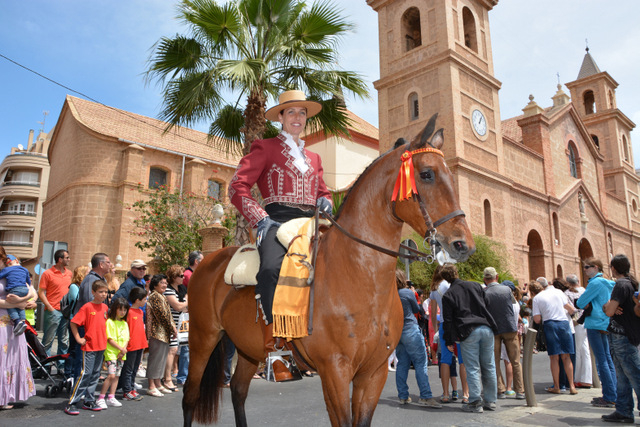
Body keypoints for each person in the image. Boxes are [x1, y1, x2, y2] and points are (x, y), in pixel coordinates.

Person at [228, 89, 332, 382]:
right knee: (272, 269)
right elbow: (238, 187)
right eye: (291, 112)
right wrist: (260, 219)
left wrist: (326, 201)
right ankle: (276, 348)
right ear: (281, 118)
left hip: (311, 222)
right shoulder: (265, 147)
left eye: (302, 113)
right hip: (275, 221)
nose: (297, 118)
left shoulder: (314, 156)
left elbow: (323, 191)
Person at [441, 263, 498, 413]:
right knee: (489, 365)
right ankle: (491, 400)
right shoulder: (475, 285)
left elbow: (448, 320)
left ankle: (475, 402)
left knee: (472, 368)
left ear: (445, 279)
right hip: (486, 327)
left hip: (467, 331)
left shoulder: (448, 295)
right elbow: (487, 303)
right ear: (457, 272)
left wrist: (449, 340)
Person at [601, 254, 640, 423]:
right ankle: (623, 410)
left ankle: (624, 410)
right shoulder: (630, 283)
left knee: (633, 374)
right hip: (625, 333)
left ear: (614, 268)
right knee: (623, 375)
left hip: (621, 336)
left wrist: (609, 306)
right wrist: (610, 306)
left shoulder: (620, 285)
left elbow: (609, 310)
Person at [394, 269, 442, 409]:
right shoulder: (407, 293)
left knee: (402, 363)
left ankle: (403, 396)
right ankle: (425, 396)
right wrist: (412, 291)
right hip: (410, 329)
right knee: (420, 363)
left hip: (398, 331)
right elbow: (416, 308)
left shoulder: (390, 294)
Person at [65, 280, 109, 415]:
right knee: (85, 374)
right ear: (93, 292)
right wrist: (78, 338)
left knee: (95, 374)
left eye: (105, 292)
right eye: (100, 292)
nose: (103, 295)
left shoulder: (105, 308)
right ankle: (72, 402)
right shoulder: (87, 307)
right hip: (89, 346)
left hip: (101, 345)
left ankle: (89, 400)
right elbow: (74, 323)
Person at [0, 246, 37, 410]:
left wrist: (29, 299)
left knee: (12, 360)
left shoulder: (11, 269)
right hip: (3, 324)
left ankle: (7, 396)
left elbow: (32, 290)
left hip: (14, 325)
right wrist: (16, 302)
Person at [577, 257, 617, 408]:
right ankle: (613, 393)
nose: (585, 270)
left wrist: (586, 302)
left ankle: (609, 396)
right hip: (606, 322)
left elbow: (580, 302)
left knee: (602, 361)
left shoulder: (595, 283)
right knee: (607, 358)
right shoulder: (608, 283)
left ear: (596, 267)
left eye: (587, 267)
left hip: (595, 323)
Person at [482, 268, 525, 400]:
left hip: (493, 329)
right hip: (509, 327)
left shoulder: (484, 292)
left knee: (494, 361)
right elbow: (513, 305)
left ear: (485, 279)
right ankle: (520, 391)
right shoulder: (506, 290)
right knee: (515, 361)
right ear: (497, 276)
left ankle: (500, 390)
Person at [429, 264, 468, 403]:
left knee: (445, 360)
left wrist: (436, 329)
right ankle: (465, 394)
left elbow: (433, 314)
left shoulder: (434, 290)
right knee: (463, 359)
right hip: (458, 324)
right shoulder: (451, 285)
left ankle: (445, 394)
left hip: (444, 325)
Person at [531, 277, 577, 395]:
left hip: (550, 324)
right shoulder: (558, 292)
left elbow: (537, 319)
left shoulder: (537, 298)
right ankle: (572, 386)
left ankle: (557, 386)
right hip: (563, 323)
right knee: (566, 356)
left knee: (554, 357)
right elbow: (571, 309)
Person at [38, 249, 72, 369]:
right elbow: (41, 292)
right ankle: (44, 366)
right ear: (60, 259)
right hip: (53, 311)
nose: (69, 259)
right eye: (67, 257)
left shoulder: (69, 273)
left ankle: (61, 366)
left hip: (65, 312)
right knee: (48, 340)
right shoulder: (47, 273)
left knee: (63, 340)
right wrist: (50, 307)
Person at [145, 274, 177, 397]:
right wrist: (172, 328)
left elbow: (168, 314)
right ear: (155, 284)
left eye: (165, 283)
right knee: (155, 359)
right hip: (157, 333)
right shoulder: (154, 297)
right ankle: (151, 385)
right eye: (162, 283)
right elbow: (162, 315)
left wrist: (172, 327)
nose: (165, 285)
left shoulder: (161, 296)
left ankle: (158, 383)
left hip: (164, 333)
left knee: (161, 359)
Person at [96, 297, 130, 409]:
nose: (122, 312)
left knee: (116, 376)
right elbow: (110, 339)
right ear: (115, 309)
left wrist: (123, 350)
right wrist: (121, 348)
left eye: (125, 310)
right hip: (111, 353)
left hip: (121, 354)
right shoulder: (110, 322)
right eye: (120, 309)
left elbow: (126, 338)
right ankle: (101, 397)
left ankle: (111, 396)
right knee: (111, 375)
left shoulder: (125, 324)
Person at [162, 265, 187, 392]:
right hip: (170, 323)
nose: (183, 278)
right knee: (171, 350)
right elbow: (177, 306)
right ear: (174, 277)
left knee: (176, 350)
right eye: (181, 276)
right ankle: (167, 379)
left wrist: (184, 304)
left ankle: (168, 377)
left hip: (181, 324)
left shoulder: (182, 288)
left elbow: (184, 306)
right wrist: (186, 302)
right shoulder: (168, 290)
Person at [121, 287, 148, 401]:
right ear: (137, 300)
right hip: (132, 344)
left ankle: (131, 387)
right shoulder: (129, 312)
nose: (145, 301)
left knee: (135, 368)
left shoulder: (140, 312)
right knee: (128, 368)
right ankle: (127, 390)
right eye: (144, 299)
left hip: (140, 343)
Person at [566, 274, 592, 388]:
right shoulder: (584, 290)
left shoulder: (568, 293)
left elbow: (571, 309)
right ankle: (587, 378)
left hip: (576, 322)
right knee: (585, 349)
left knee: (577, 349)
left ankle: (577, 377)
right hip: (586, 320)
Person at [0, 254, 31, 335]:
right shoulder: (24, 270)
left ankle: (16, 320)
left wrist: (19, 301)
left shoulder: (6, 270)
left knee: (10, 301)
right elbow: (29, 284)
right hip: (24, 289)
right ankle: (23, 321)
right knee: (20, 308)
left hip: (14, 290)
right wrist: (21, 301)